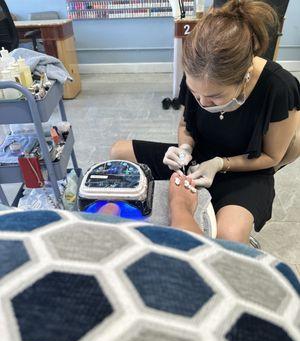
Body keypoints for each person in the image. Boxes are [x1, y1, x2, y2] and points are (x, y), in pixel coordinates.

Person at [110, 0, 300, 244]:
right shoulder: (198, 73)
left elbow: (272, 157)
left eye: (213, 97)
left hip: (245, 172)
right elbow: (185, 126)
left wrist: (220, 164)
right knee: (120, 151)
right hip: (197, 160)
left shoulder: (278, 87)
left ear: (243, 76)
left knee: (228, 238)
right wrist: (184, 149)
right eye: (195, 93)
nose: (202, 102)